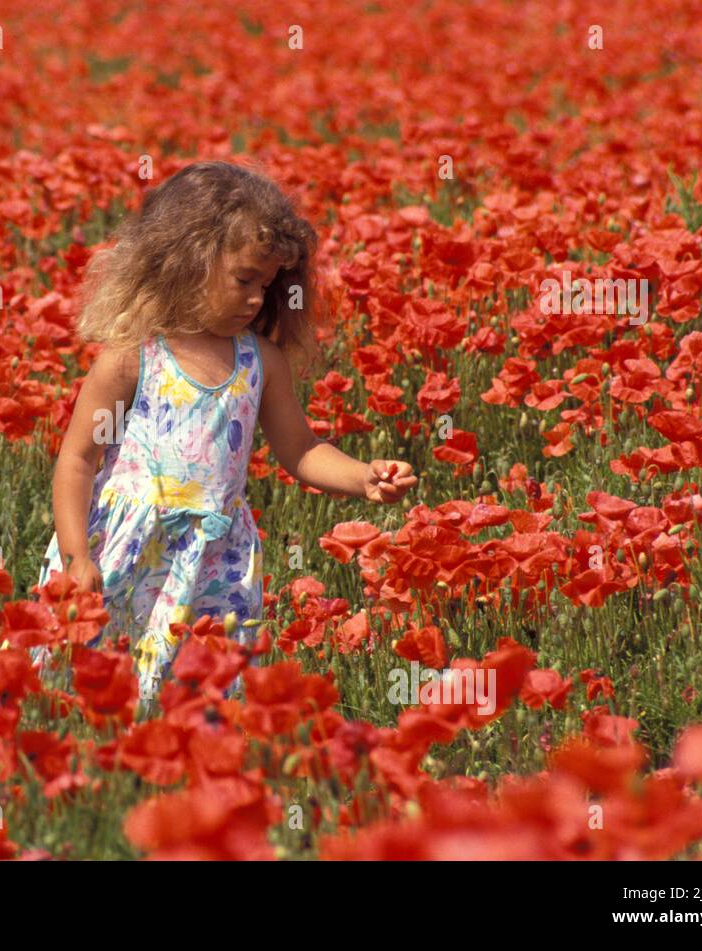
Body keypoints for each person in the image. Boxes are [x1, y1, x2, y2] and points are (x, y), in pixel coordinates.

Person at [31, 159, 417, 716]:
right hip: (120, 551)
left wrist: (363, 477)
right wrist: (75, 557)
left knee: (201, 698)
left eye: (267, 284)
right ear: (186, 262)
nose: (258, 298)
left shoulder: (260, 362)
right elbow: (78, 459)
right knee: (92, 685)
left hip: (214, 561)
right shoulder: (134, 357)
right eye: (244, 280)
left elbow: (302, 449)